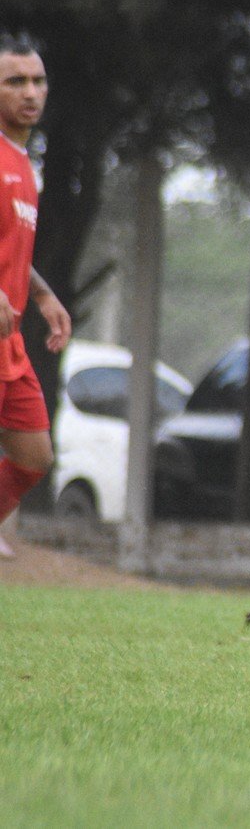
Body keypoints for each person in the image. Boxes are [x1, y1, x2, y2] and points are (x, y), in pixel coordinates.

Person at [0, 35, 74, 559]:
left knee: (33, 458)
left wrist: (44, 295)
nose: (31, 92)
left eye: (38, 80)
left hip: (10, 344)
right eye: (15, 81)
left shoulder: (23, 163)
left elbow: (12, 246)